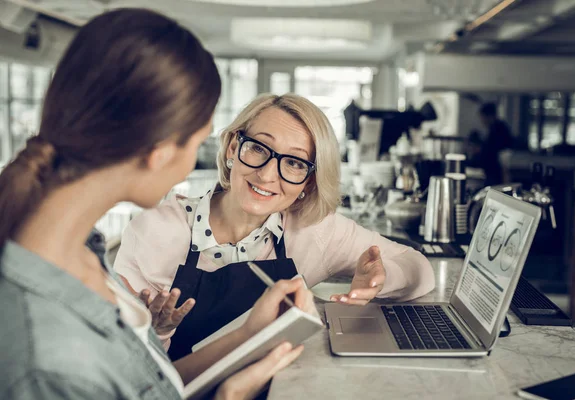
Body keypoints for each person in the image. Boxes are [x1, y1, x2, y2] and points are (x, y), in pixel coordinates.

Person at [0, 9, 315, 400]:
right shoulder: (45, 360)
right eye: (197, 141)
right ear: (160, 152)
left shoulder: (79, 251)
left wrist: (250, 333)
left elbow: (149, 387)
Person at [114, 93, 436, 361]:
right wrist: (158, 331)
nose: (268, 176)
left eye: (294, 163)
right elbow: (124, 367)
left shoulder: (315, 233)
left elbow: (419, 268)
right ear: (232, 149)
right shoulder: (154, 231)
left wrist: (378, 280)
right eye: (258, 148)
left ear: (309, 182)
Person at [478, 103, 513, 186]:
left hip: (497, 173)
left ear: (489, 116)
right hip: (492, 172)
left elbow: (503, 154)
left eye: (482, 117)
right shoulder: (494, 129)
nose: (481, 120)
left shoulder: (499, 130)